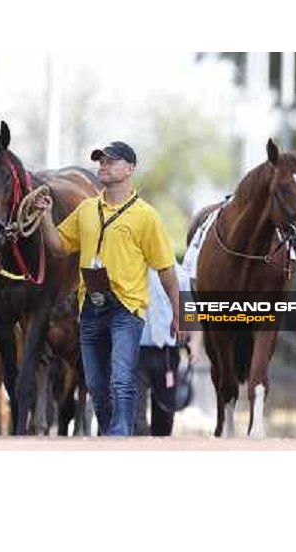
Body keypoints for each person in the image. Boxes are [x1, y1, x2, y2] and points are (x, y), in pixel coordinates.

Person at [35, 141, 182, 436]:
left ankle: (119, 437)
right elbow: (58, 247)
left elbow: (167, 270)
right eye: (100, 161)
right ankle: (107, 434)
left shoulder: (146, 216)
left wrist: (179, 316)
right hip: (90, 305)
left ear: (129, 168)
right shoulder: (86, 210)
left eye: (110, 161)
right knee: (96, 383)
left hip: (126, 308)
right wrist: (45, 216)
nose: (102, 165)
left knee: (121, 378)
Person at [135, 263, 192, 436]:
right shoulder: (132, 268)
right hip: (137, 351)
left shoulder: (180, 274)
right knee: (136, 418)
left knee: (165, 417)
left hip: (167, 354)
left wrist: (193, 345)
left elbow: (189, 315)